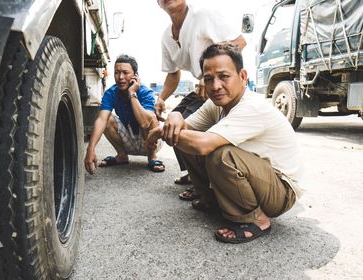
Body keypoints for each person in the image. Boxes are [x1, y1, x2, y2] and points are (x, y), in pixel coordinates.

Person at [146, 43, 304, 243]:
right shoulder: (216, 103)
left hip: (281, 191)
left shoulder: (252, 106)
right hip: (259, 177)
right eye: (209, 79)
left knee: (220, 155)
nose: (215, 86)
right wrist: (176, 115)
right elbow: (186, 129)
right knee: (186, 140)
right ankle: (210, 200)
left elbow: (203, 144)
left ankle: (258, 219)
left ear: (243, 76)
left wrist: (162, 131)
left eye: (224, 76)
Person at [155, 0, 246, 200]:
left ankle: (206, 184)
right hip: (201, 89)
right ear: (158, 3)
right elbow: (173, 74)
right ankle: (192, 173)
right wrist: (161, 97)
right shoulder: (166, 37)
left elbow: (239, 42)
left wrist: (211, 76)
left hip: (218, 86)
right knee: (174, 119)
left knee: (185, 127)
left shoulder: (203, 15)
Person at [84, 54, 165, 174]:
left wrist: (132, 93)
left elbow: (145, 122)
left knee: (151, 117)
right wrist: (90, 149)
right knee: (107, 118)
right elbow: (101, 120)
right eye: (117, 72)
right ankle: (122, 155)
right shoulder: (111, 93)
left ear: (135, 75)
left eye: (125, 72)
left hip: (150, 141)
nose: (120, 77)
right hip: (129, 138)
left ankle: (152, 157)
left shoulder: (145, 92)